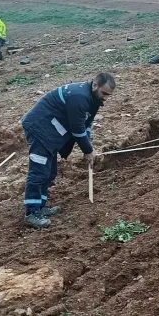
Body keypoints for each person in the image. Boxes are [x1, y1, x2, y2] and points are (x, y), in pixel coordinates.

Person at [20, 73, 116, 228]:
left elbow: (86, 125)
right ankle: (31, 213)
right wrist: (88, 150)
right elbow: (78, 129)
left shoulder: (94, 99)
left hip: (51, 133)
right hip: (39, 129)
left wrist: (88, 146)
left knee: (50, 172)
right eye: (104, 93)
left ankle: (40, 206)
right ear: (95, 85)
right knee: (39, 171)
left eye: (109, 95)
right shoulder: (79, 97)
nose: (105, 98)